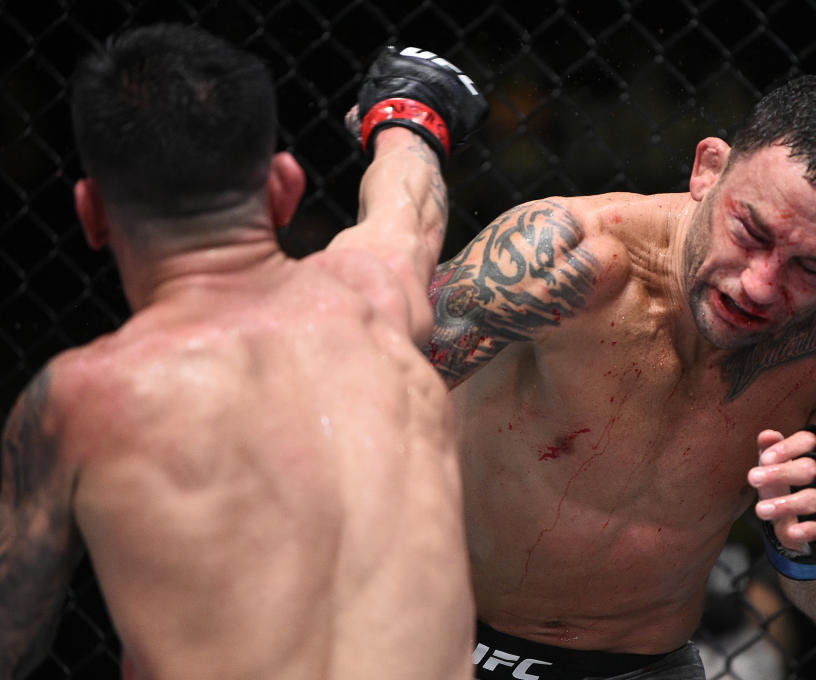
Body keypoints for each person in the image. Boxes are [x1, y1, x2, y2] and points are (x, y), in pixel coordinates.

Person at [0, 24, 487, 680]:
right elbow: (409, 200)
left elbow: (10, 637)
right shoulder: (376, 298)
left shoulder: (79, 401)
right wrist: (409, 114)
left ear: (91, 215)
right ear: (285, 187)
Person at [426, 73, 816, 679]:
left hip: (645, 666)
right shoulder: (558, 257)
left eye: (813, 268)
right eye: (750, 232)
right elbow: (341, 399)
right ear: (708, 170)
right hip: (431, 640)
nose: (760, 285)